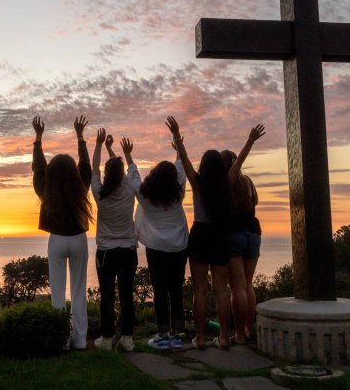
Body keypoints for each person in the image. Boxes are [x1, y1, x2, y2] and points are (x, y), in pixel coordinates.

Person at [166, 116, 265, 350]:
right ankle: (222, 337)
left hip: (200, 234)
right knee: (222, 290)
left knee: (199, 289)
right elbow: (239, 162)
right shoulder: (227, 182)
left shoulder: (197, 182)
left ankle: (200, 338)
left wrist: (177, 137)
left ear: (203, 166)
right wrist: (250, 140)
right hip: (220, 235)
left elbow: (186, 161)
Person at [31, 115, 92, 350]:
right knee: (78, 291)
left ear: (51, 173)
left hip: (56, 240)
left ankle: (61, 340)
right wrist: (80, 137)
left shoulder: (46, 189)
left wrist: (38, 138)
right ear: (73, 173)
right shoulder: (80, 187)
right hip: (78, 240)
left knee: (57, 293)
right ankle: (79, 341)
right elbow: (85, 165)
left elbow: (38, 167)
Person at [123, 137, 189, 350]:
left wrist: (128, 154)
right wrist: (178, 147)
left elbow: (133, 177)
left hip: (156, 248)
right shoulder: (178, 192)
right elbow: (181, 169)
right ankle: (177, 334)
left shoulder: (145, 195)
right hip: (178, 247)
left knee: (159, 290)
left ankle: (162, 334)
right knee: (176, 289)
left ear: (153, 176)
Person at [90, 129, 138, 352]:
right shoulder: (130, 190)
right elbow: (130, 170)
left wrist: (100, 145)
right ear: (122, 175)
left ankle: (107, 339)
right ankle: (127, 339)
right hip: (128, 251)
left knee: (107, 296)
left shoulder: (100, 194)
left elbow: (95, 169)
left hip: (106, 253)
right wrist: (120, 152)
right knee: (127, 295)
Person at [222, 148, 263, 345]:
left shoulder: (226, 184)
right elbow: (255, 202)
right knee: (248, 285)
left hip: (234, 233)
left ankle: (238, 334)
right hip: (254, 232)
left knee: (237, 287)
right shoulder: (248, 182)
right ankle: (248, 329)